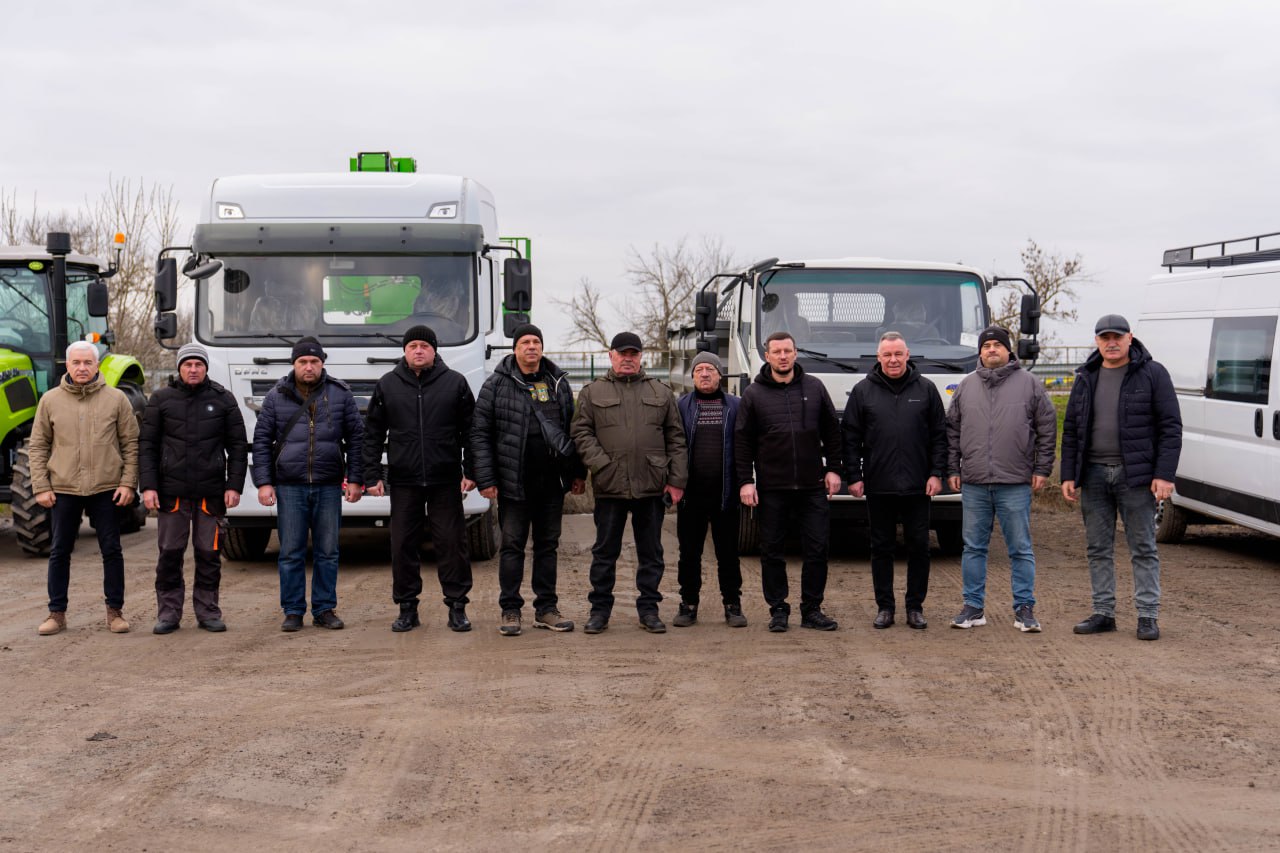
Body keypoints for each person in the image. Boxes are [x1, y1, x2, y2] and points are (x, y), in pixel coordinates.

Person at [1062, 315, 1182, 641]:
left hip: (1137, 476)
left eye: (1117, 336)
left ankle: (1147, 616)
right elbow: (1072, 429)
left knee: (1142, 547)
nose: (1111, 342)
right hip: (1094, 475)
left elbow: (1170, 427)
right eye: (1105, 337)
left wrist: (1163, 474)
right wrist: (1069, 475)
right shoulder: (1086, 377)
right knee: (1098, 548)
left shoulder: (1153, 374)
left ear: (1130, 338)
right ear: (1097, 341)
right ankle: (1104, 613)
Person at [470, 323, 585, 636]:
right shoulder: (496, 384)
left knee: (547, 546)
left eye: (536, 341)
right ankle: (510, 610)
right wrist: (486, 478)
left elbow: (571, 432)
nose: (531, 347)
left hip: (551, 483)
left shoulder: (558, 383)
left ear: (542, 348)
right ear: (515, 349)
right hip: (513, 482)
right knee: (512, 547)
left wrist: (576, 472)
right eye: (525, 342)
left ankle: (546, 608)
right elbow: (480, 433)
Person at [571, 331, 687, 634]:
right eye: (622, 353)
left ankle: (649, 610)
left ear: (641, 357)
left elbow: (676, 439)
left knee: (651, 553)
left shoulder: (661, 393)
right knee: (604, 552)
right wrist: (602, 466)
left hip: (651, 486)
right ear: (611, 355)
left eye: (633, 354)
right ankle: (599, 612)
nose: (628, 358)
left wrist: (676, 480)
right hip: (611, 486)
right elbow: (581, 433)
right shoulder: (592, 392)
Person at [363, 325, 477, 632]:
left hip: (445, 479)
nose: (418, 350)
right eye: (413, 345)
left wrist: (472, 470)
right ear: (404, 350)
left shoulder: (455, 383)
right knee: (402, 545)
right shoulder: (388, 385)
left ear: (434, 350)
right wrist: (371, 474)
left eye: (424, 346)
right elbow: (372, 433)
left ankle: (457, 606)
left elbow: (472, 432)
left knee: (451, 544)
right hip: (404, 480)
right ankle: (407, 608)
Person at [946, 326, 1057, 633]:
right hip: (975, 482)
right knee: (973, 547)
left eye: (997, 345)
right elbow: (952, 432)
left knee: (1020, 548)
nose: (991, 349)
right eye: (986, 345)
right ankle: (973, 607)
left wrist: (1042, 469)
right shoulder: (966, 386)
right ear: (980, 352)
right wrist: (953, 469)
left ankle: (1024, 608)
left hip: (1015, 482)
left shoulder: (1030, 385)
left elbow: (1047, 429)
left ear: (1009, 351)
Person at [252, 336, 364, 632]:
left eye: (314, 361)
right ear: (294, 364)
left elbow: (356, 439)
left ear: (322, 363)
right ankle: (292, 610)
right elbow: (261, 441)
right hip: (290, 485)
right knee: (290, 551)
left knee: (328, 551)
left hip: (329, 485)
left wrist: (355, 479)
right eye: (303, 361)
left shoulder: (340, 394)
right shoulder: (276, 395)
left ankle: (325, 609)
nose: (309, 367)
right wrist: (264, 483)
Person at [736, 331, 844, 633]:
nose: (782, 356)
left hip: (812, 486)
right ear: (767, 356)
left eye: (787, 350)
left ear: (795, 353)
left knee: (817, 548)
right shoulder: (754, 395)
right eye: (776, 351)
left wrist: (834, 469)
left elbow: (832, 433)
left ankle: (812, 610)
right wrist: (746, 481)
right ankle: (778, 609)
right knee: (771, 550)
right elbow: (742, 441)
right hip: (772, 488)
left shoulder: (814, 387)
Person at [30, 341, 139, 635]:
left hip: (107, 488)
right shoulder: (50, 401)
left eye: (87, 363)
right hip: (63, 488)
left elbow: (131, 444)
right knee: (59, 551)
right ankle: (56, 613)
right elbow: (38, 445)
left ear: (97, 366)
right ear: (67, 365)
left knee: (112, 550)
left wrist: (128, 482)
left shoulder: (117, 399)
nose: (81, 368)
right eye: (76, 363)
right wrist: (41, 486)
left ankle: (115, 612)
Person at [139, 343, 249, 634]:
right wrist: (148, 486)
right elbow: (147, 446)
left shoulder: (223, 400)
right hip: (171, 494)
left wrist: (233, 486)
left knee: (209, 554)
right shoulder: (161, 399)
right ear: (179, 368)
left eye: (198, 364)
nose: (193, 369)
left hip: (210, 495)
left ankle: (208, 611)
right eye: (187, 364)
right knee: (170, 553)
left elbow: (237, 447)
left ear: (205, 368)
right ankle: (168, 614)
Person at [843, 332, 947, 630]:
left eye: (898, 354)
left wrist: (935, 473)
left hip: (917, 485)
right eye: (887, 355)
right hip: (879, 484)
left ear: (907, 354)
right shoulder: (863, 391)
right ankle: (885, 608)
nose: (893, 360)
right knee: (881, 548)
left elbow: (939, 436)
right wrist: (854, 476)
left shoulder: (926, 390)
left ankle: (915, 608)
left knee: (919, 547)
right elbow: (850, 438)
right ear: (878, 357)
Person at [673, 351, 747, 628]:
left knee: (728, 553)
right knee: (688, 553)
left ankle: (732, 604)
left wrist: (744, 483)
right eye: (699, 370)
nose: (705, 374)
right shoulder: (681, 407)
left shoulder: (737, 406)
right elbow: (674, 447)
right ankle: (688, 603)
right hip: (691, 496)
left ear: (720, 374)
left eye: (710, 369)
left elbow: (744, 446)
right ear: (692, 376)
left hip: (726, 494)